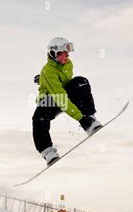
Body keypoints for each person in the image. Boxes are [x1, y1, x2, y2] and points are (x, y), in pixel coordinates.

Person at [32, 37, 102, 166]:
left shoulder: (67, 64)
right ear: (54, 53)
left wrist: (42, 79)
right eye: (65, 53)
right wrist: (80, 118)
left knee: (81, 81)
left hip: (63, 94)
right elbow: (60, 97)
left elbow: (60, 81)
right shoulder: (47, 71)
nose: (68, 55)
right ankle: (48, 152)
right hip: (49, 102)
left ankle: (90, 119)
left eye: (68, 52)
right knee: (38, 119)